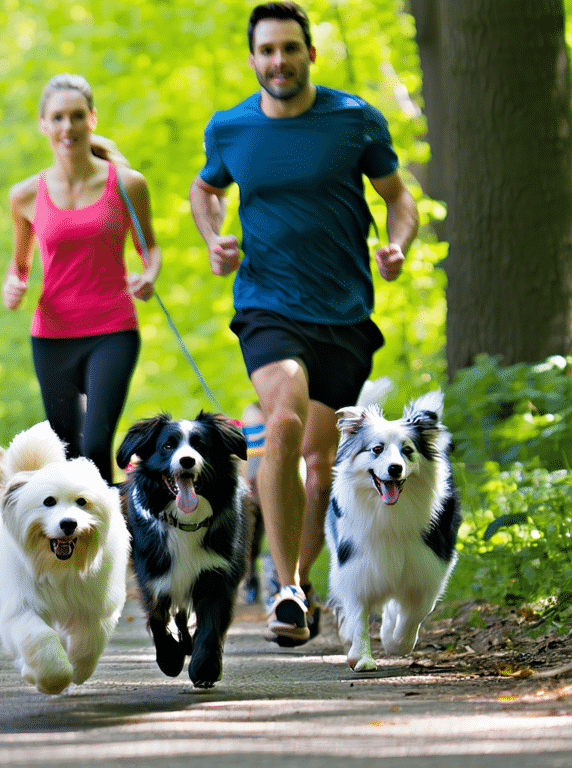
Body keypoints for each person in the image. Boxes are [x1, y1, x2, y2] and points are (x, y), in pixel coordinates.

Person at [189, 1, 418, 646]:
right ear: (254, 58)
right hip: (266, 302)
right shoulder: (231, 128)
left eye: (290, 48)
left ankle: (302, 582)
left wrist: (397, 245)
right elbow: (205, 189)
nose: (278, 61)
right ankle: (286, 586)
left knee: (320, 470)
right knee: (282, 417)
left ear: (309, 53)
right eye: (266, 50)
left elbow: (398, 197)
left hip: (344, 312)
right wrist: (214, 238)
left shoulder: (353, 121)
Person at [2, 74, 163, 482]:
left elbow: (152, 249)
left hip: (113, 327)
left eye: (76, 116)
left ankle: (111, 541)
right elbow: (19, 264)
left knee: (94, 446)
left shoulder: (127, 185)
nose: (67, 127)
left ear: (92, 119)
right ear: (44, 125)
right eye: (57, 118)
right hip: (52, 334)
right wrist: (13, 286)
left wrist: (149, 275)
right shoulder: (25, 195)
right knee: (65, 452)